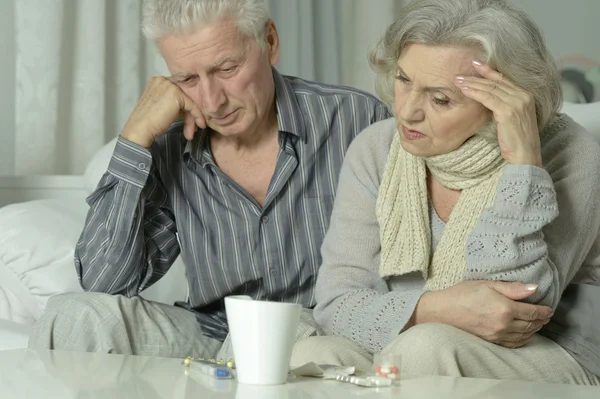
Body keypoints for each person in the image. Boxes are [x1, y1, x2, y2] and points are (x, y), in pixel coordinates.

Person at [27, 0, 391, 360]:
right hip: (212, 333)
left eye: (227, 68)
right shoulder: (169, 146)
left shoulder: (357, 121)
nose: (212, 101)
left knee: (270, 339)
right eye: (187, 79)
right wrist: (135, 136)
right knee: (72, 316)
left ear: (270, 41)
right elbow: (104, 283)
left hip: (321, 332)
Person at [291, 0, 600, 385]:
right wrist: (434, 308)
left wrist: (523, 166)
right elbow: (336, 305)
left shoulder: (572, 153)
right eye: (404, 80)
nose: (406, 112)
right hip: (407, 342)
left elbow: (509, 313)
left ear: (503, 101)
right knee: (310, 353)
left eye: (440, 99)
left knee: (424, 349)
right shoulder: (376, 148)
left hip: (551, 356)